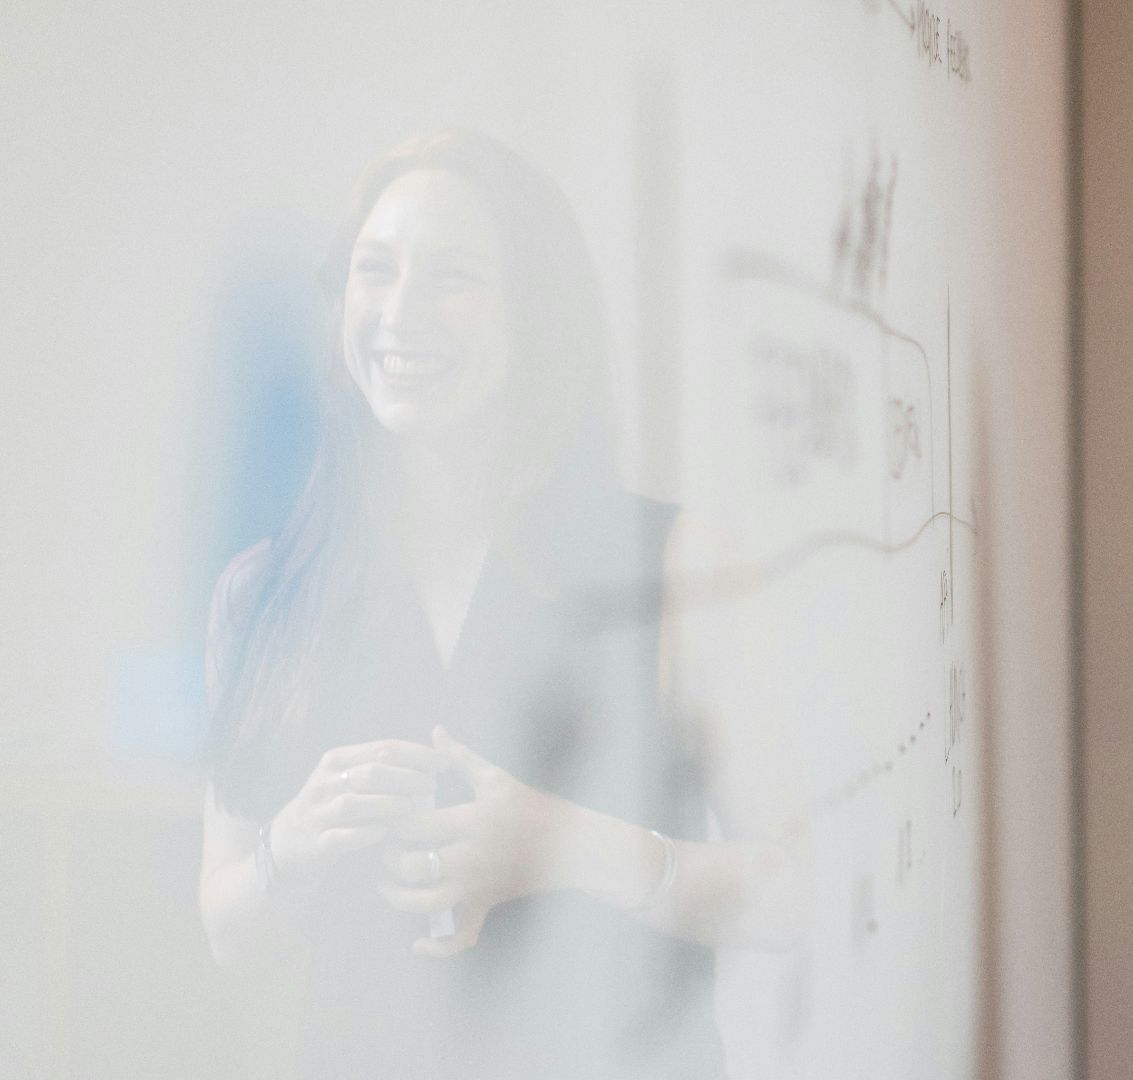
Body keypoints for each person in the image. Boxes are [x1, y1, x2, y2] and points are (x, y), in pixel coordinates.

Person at [197, 131, 768, 1079]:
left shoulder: (674, 563)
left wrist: (570, 846)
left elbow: (795, 894)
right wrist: (291, 847)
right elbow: (227, 932)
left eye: (454, 277)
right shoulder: (264, 593)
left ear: (536, 316)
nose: (400, 314)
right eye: (374, 272)